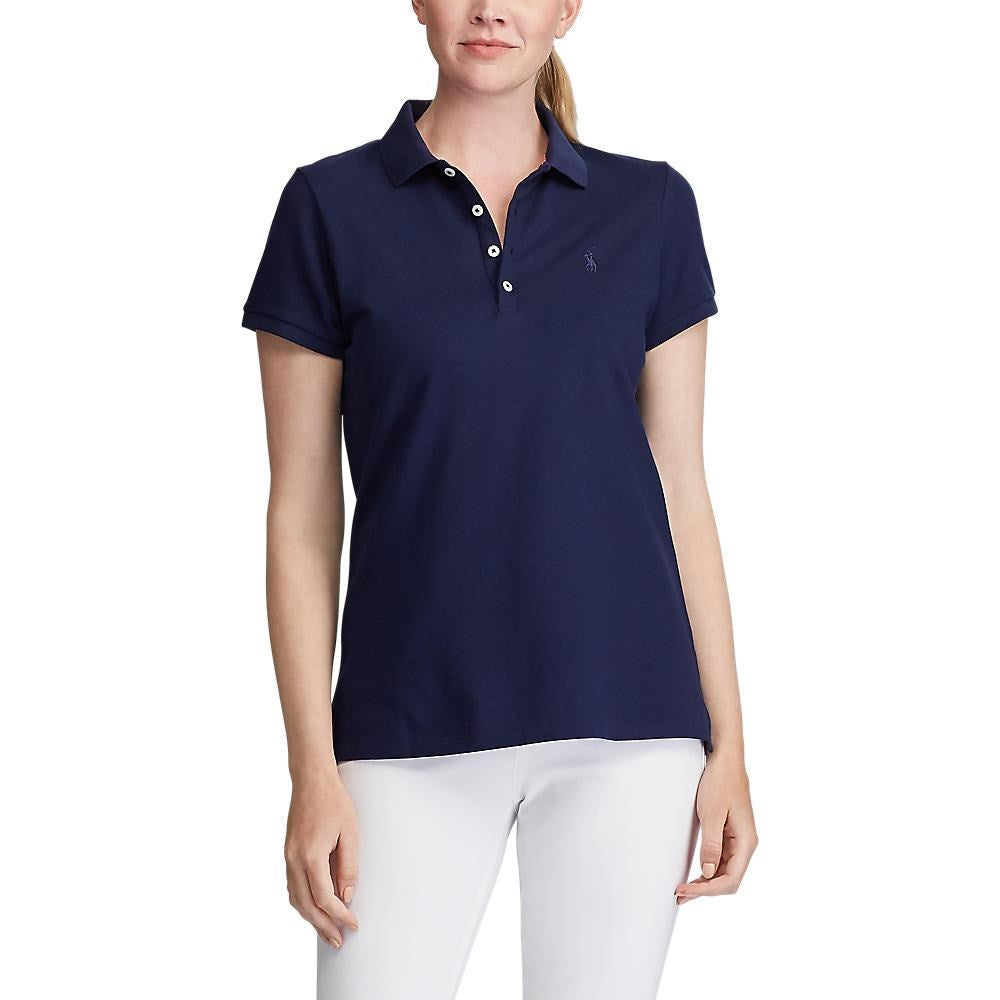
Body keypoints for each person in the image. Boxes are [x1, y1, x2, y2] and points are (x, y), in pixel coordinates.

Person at [241, 2, 757, 997]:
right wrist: (311, 768)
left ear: (567, 8)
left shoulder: (650, 208)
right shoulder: (329, 208)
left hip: (628, 723)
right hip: (404, 723)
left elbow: (681, 491)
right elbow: (301, 516)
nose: (488, 8)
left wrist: (729, 743)